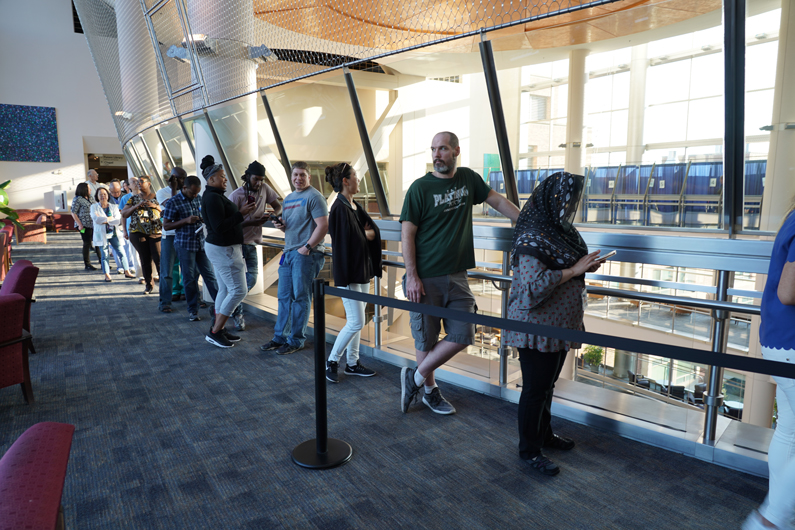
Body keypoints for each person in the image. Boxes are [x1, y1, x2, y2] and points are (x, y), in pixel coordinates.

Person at [399, 131, 521, 415]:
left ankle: (414, 379)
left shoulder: (468, 179)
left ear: (456, 151)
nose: (436, 155)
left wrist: (526, 221)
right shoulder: (420, 188)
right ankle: (429, 391)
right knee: (425, 339)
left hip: (457, 275)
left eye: (442, 149)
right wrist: (412, 275)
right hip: (425, 276)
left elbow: (498, 201)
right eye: (432, 149)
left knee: (464, 332)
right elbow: (407, 233)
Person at [504, 172, 601, 476]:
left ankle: (543, 436)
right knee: (535, 389)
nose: (570, 205)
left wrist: (582, 267)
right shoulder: (532, 235)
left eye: (573, 199)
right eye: (567, 198)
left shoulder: (559, 230)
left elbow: (566, 266)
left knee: (547, 387)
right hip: (537, 326)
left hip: (559, 325)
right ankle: (530, 450)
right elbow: (530, 288)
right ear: (551, 198)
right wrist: (574, 271)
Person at [743, 200, 795, 530]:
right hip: (793, 342)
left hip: (780, 341)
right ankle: (771, 520)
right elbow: (789, 291)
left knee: (789, 432)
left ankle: (780, 516)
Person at [259, 161, 328, 356]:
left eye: (302, 175)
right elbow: (290, 224)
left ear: (309, 177)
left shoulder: (315, 197)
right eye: (295, 175)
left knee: (300, 297)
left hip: (305, 255)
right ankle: (280, 337)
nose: (298, 178)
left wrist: (306, 248)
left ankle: (296, 340)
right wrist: (281, 225)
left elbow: (323, 226)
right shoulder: (288, 199)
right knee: (283, 297)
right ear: (291, 177)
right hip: (288, 252)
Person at [323, 163, 380, 383]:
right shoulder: (339, 208)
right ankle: (332, 361)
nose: (359, 180)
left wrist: (366, 235)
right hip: (349, 273)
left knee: (359, 319)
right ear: (345, 181)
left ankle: (353, 363)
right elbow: (348, 240)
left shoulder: (353, 205)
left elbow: (371, 231)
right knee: (356, 321)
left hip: (361, 271)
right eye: (355, 176)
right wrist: (365, 235)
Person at [200, 155, 262, 348]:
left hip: (222, 248)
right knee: (238, 290)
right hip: (224, 249)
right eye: (221, 176)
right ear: (211, 180)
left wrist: (240, 214)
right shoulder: (211, 198)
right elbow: (219, 226)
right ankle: (215, 331)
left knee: (226, 289)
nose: (225, 179)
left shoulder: (214, 196)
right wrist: (240, 213)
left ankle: (220, 328)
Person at [228, 161, 282, 331]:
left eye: (261, 179)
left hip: (252, 243)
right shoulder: (236, 196)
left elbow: (278, 206)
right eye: (255, 179)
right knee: (238, 282)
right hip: (236, 243)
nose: (258, 183)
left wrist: (274, 216)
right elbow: (229, 225)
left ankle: (228, 305)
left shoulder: (265, 189)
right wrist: (250, 221)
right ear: (247, 177)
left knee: (251, 278)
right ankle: (235, 312)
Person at [162, 175, 220, 323]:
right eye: (192, 193)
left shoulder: (199, 198)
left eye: (197, 193)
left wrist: (202, 219)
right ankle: (193, 310)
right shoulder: (173, 202)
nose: (194, 195)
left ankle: (221, 307)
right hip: (184, 244)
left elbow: (203, 214)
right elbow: (166, 225)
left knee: (209, 276)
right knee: (189, 278)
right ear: (184, 188)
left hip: (200, 242)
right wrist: (186, 221)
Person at [121, 175, 162, 294]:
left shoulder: (157, 197)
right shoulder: (133, 199)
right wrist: (136, 207)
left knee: (158, 259)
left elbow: (165, 211)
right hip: (138, 233)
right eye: (137, 182)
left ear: (149, 184)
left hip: (155, 233)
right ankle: (149, 285)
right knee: (145, 259)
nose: (139, 184)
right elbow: (124, 214)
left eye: (141, 182)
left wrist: (155, 206)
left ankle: (164, 287)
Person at [157, 167, 187, 313]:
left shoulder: (187, 191)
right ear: (172, 178)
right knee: (167, 270)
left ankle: (187, 295)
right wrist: (174, 189)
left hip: (185, 234)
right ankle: (165, 302)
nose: (182, 181)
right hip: (169, 235)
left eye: (184, 177)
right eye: (179, 178)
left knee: (188, 269)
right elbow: (173, 207)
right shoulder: (162, 192)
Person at [90, 187, 135, 282]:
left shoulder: (114, 206)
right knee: (104, 255)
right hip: (102, 235)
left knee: (122, 253)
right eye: (100, 194)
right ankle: (107, 274)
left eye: (104, 194)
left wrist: (104, 220)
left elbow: (117, 220)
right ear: (97, 196)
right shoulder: (94, 207)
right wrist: (110, 218)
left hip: (114, 234)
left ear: (108, 195)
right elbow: (96, 219)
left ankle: (127, 271)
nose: (103, 196)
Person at [70, 182, 101, 270]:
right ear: (84, 189)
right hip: (84, 225)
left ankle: (102, 261)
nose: (90, 190)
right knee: (87, 243)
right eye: (89, 188)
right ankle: (87, 264)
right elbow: (73, 212)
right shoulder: (77, 199)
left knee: (97, 243)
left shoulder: (91, 198)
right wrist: (80, 224)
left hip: (93, 224)